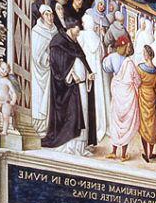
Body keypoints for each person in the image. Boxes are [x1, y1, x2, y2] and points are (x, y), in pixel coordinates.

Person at [42, 18, 92, 152]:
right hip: (67, 88)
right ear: (71, 27)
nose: (79, 32)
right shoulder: (58, 41)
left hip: (80, 86)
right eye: (77, 29)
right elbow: (57, 63)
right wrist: (71, 74)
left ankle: (80, 147)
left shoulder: (74, 43)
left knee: (84, 113)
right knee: (73, 115)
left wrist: (89, 73)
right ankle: (69, 146)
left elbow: (82, 58)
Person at [102, 36, 141, 161]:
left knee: (117, 123)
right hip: (127, 96)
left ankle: (114, 151)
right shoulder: (130, 63)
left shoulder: (113, 57)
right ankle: (123, 154)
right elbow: (138, 81)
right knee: (125, 124)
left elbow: (105, 68)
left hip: (119, 93)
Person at [77, 14, 107, 146]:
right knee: (96, 99)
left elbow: (78, 52)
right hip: (96, 72)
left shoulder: (82, 35)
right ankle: (97, 127)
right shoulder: (97, 38)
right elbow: (101, 54)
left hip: (85, 69)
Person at [30, 6, 58, 133]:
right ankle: (39, 124)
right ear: (42, 16)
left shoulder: (54, 30)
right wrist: (47, 58)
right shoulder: (37, 31)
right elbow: (35, 53)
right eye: (47, 15)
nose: (50, 17)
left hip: (51, 69)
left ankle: (50, 124)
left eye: (51, 14)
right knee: (39, 96)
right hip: (40, 70)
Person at [136, 44, 156, 162]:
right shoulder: (155, 71)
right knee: (151, 125)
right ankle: (150, 153)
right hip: (151, 96)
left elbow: (136, 82)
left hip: (142, 96)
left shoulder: (140, 68)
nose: (143, 55)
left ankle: (147, 154)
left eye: (144, 53)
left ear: (147, 55)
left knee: (144, 125)